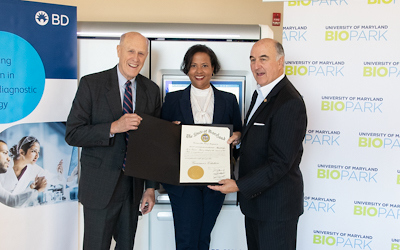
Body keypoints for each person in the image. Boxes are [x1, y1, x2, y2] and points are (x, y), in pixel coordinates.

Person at [208, 38, 307, 250]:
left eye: (263, 59)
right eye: (252, 59)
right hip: (256, 205)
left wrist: (238, 185)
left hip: (275, 210)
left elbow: (280, 163)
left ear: (280, 62)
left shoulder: (289, 102)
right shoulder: (261, 93)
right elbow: (267, 133)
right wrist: (242, 136)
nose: (256, 66)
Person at [65, 31, 161, 250]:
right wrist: (113, 127)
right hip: (99, 187)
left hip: (133, 189)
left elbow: (153, 145)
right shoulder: (92, 84)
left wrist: (150, 188)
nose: (135, 58)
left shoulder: (151, 91)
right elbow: (73, 133)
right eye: (130, 51)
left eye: (141, 53)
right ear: (119, 51)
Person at [161, 44, 242, 250]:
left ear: (213, 68)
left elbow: (239, 134)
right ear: (186, 69)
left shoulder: (229, 100)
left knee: (203, 238)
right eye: (193, 65)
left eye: (205, 65)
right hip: (183, 182)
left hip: (216, 180)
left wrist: (238, 137)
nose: (199, 71)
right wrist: (169, 131)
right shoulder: (172, 99)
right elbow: (160, 143)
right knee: (187, 240)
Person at [0, 140, 47, 208]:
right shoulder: (7, 169)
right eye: (4, 153)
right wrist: (37, 190)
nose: (9, 159)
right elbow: (11, 201)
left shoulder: (31, 169)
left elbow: (13, 198)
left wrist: (31, 188)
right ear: (21, 152)